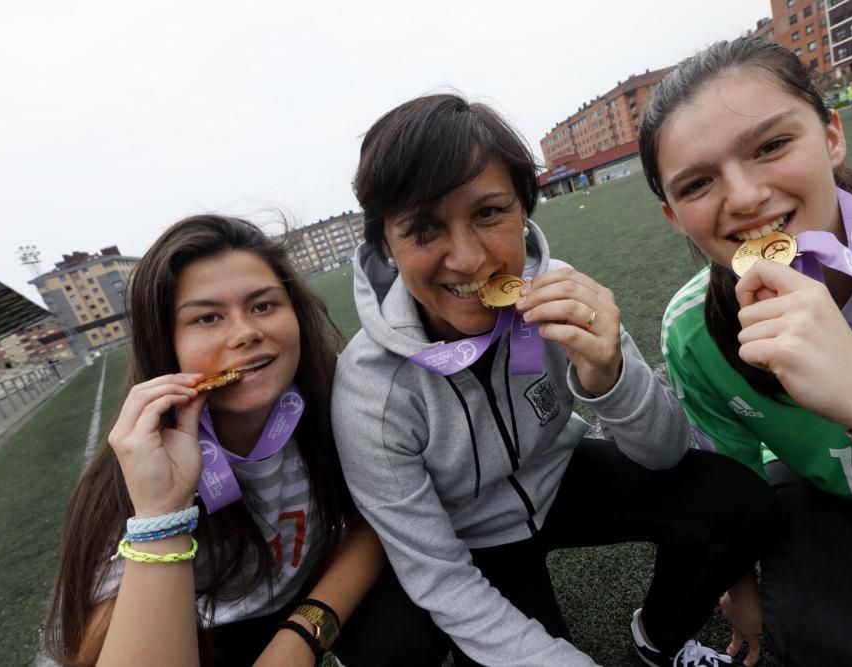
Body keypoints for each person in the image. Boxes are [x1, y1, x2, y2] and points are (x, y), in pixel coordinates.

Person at [332, 93, 778, 667]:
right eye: (423, 228)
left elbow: (666, 453)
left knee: (740, 502)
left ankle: (658, 636)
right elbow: (438, 576)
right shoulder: (371, 388)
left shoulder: (560, 291)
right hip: (472, 538)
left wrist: (609, 374)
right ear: (386, 246)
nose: (468, 259)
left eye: (489, 212)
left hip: (561, 476)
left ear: (523, 209)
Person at [642, 37, 852, 666]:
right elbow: (727, 485)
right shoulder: (691, 330)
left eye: (771, 146)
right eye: (697, 184)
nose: (742, 198)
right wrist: (737, 587)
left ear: (831, 137)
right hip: (831, 499)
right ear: (674, 217)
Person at [43, 215, 398, 666]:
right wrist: (162, 510)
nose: (245, 332)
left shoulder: (335, 397)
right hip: (207, 630)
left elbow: (373, 521)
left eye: (264, 306)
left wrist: (301, 636)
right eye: (207, 317)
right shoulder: (135, 471)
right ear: (165, 345)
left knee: (398, 632)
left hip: (306, 598)